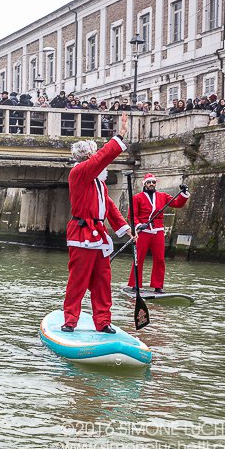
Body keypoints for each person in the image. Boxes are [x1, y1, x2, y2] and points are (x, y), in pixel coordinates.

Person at [62, 113, 133, 334]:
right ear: (88, 156)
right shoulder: (79, 173)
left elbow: (109, 207)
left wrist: (126, 230)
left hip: (100, 237)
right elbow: (101, 159)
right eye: (94, 152)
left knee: (103, 282)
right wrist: (119, 136)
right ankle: (70, 320)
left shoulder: (98, 183)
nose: (96, 155)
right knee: (78, 280)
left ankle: (102, 321)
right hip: (82, 235)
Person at [127, 173, 190, 292]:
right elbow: (132, 215)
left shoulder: (163, 196)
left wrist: (184, 192)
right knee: (138, 258)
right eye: (149, 182)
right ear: (145, 184)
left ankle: (158, 286)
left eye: (153, 182)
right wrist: (140, 224)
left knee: (160, 259)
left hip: (158, 230)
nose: (151, 184)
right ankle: (135, 284)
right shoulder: (137, 198)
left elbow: (178, 203)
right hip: (143, 231)